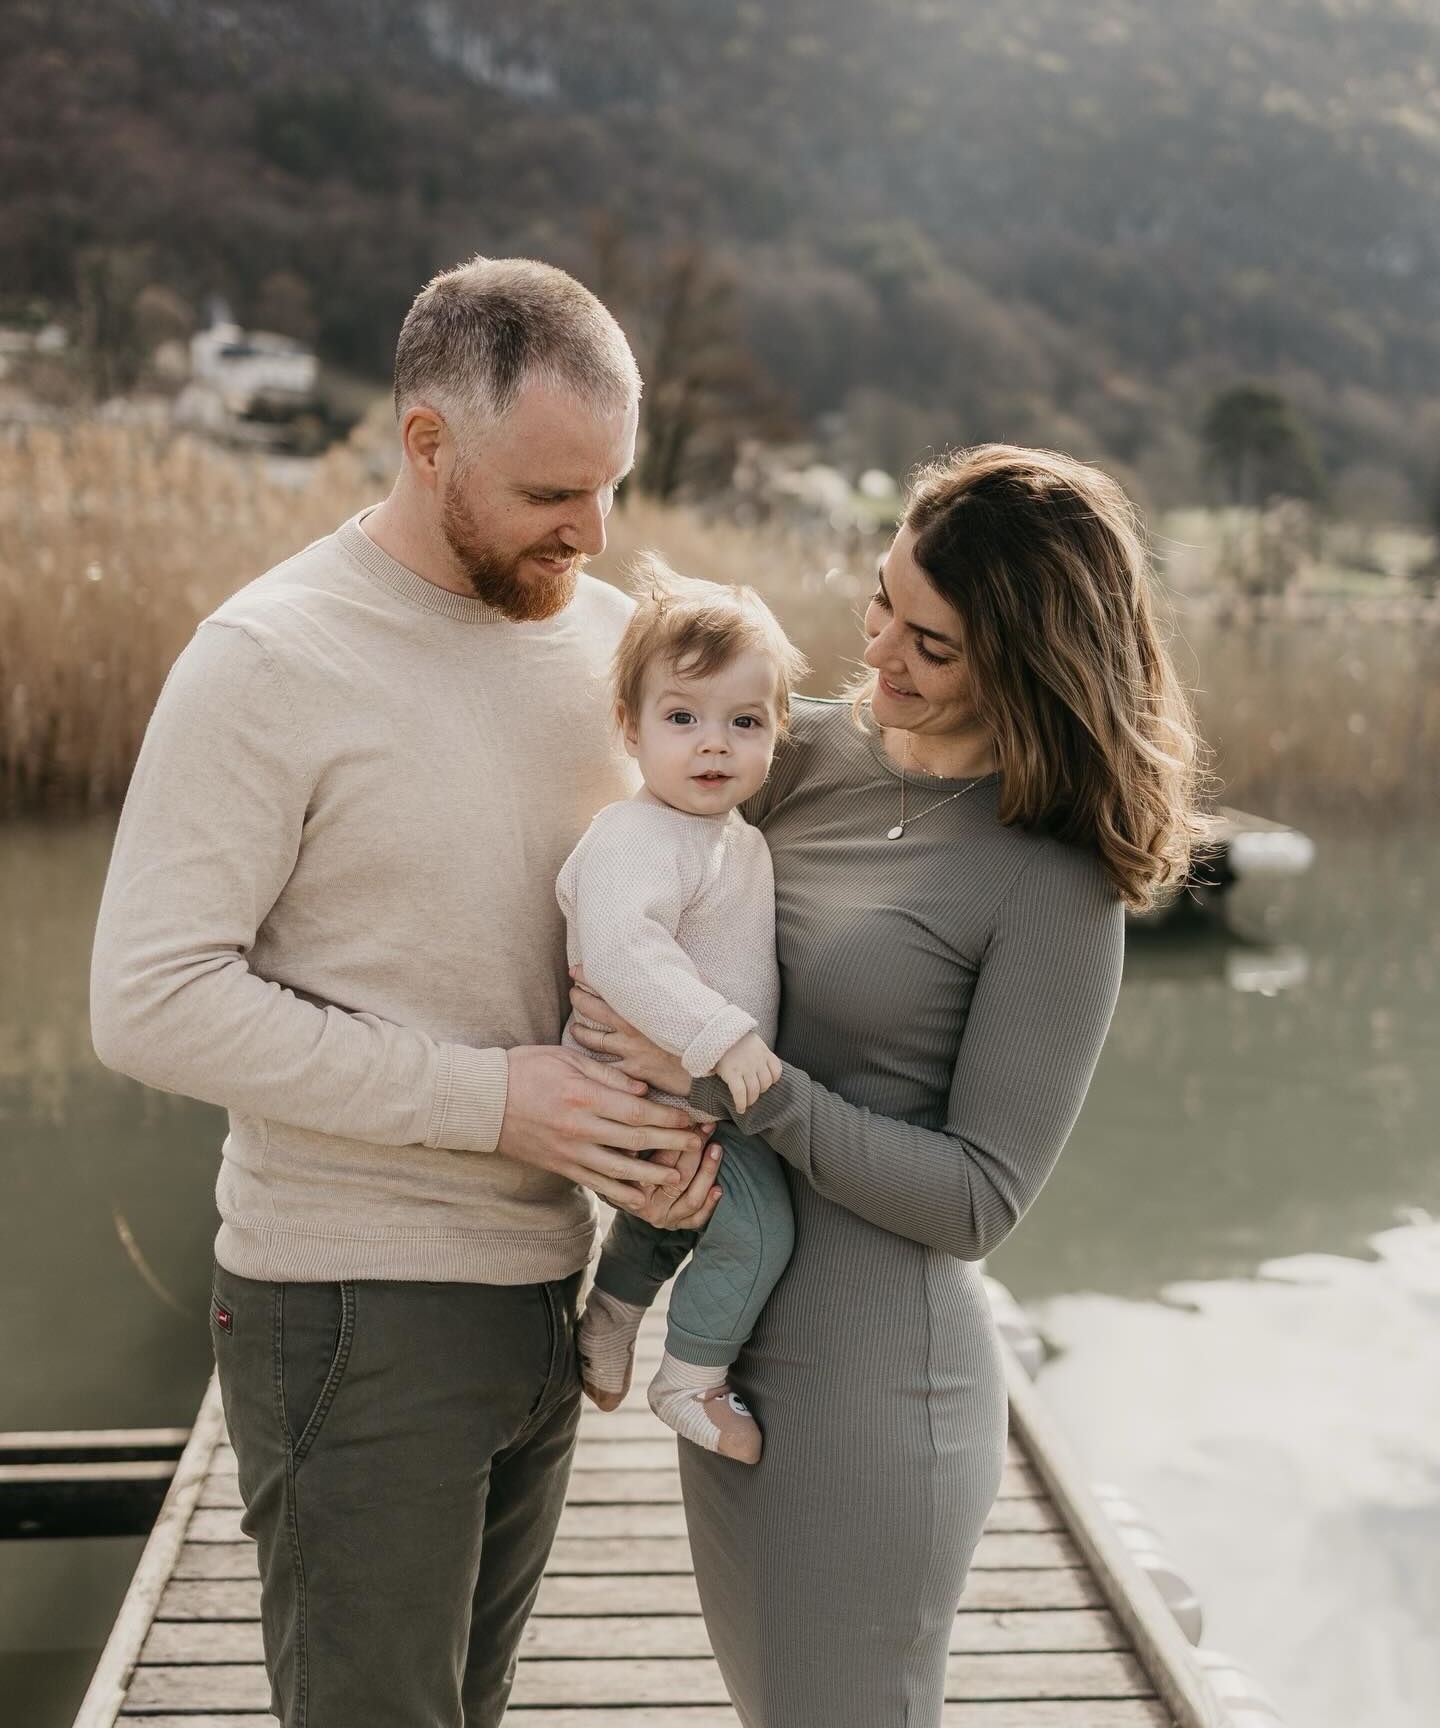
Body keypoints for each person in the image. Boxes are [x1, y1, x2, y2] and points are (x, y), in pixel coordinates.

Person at [89, 256, 715, 1728]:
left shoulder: (611, 647)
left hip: (548, 1292)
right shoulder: (268, 658)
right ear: (427, 442)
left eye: (611, 487)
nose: (594, 531)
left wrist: (670, 1110)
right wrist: (495, 1102)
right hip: (350, 1310)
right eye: (552, 492)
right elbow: (150, 999)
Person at [568, 443, 1209, 1728]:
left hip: (873, 1397)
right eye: (881, 601)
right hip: (723, 1353)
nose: (879, 652)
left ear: (1027, 661)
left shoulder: (1054, 881)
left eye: (933, 644)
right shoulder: (784, 756)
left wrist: (743, 1086)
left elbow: (979, 1201)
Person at [559, 556, 807, 1463]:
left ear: (778, 729)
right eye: (682, 718)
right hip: (649, 1089)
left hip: (692, 1091)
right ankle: (690, 1377)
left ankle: (610, 1319)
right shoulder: (637, 834)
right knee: (759, 1226)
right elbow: (623, 950)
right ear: (629, 728)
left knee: (675, 1214)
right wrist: (722, 1037)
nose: (714, 746)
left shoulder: (726, 836)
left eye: (745, 722)